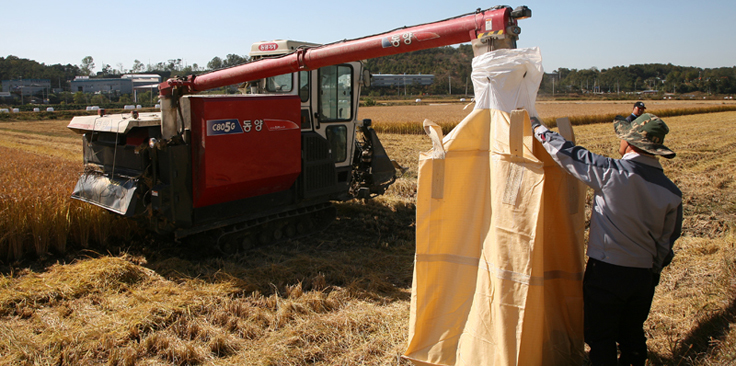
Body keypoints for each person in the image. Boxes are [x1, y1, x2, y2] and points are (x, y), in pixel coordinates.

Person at [530, 113, 683, 366]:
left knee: (600, 336)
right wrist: (652, 273)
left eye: (622, 138)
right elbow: (667, 242)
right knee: (632, 332)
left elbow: (569, 154)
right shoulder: (671, 192)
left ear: (630, 144)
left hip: (607, 273)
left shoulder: (611, 172)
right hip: (642, 277)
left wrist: (538, 128)